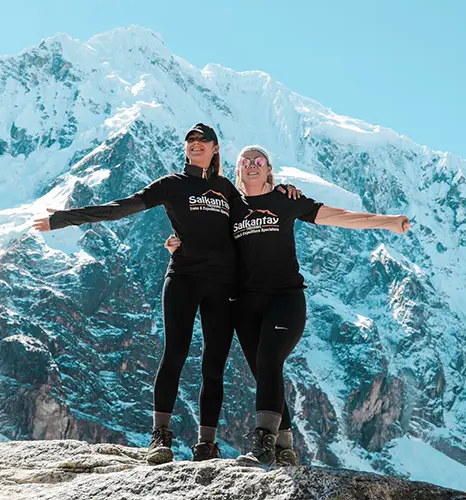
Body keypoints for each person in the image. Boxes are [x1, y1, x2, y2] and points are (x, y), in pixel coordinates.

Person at [33, 124, 301, 464]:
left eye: (202, 141)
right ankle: (160, 438)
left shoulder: (226, 190)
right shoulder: (172, 185)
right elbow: (121, 207)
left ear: (216, 148)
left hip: (223, 286)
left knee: (214, 364)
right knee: (174, 352)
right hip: (184, 278)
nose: (196, 145)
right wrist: (63, 219)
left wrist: (286, 190)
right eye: (190, 141)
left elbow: (256, 212)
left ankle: (207, 444)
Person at [165, 145, 410, 466]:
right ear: (237, 171)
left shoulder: (285, 200)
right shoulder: (230, 208)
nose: (252, 164)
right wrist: (177, 247)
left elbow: (337, 216)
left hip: (285, 300)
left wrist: (387, 222)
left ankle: (263, 447)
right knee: (266, 372)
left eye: (259, 161)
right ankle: (285, 450)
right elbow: (206, 241)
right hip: (244, 306)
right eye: (245, 161)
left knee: (268, 359)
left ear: (269, 169)